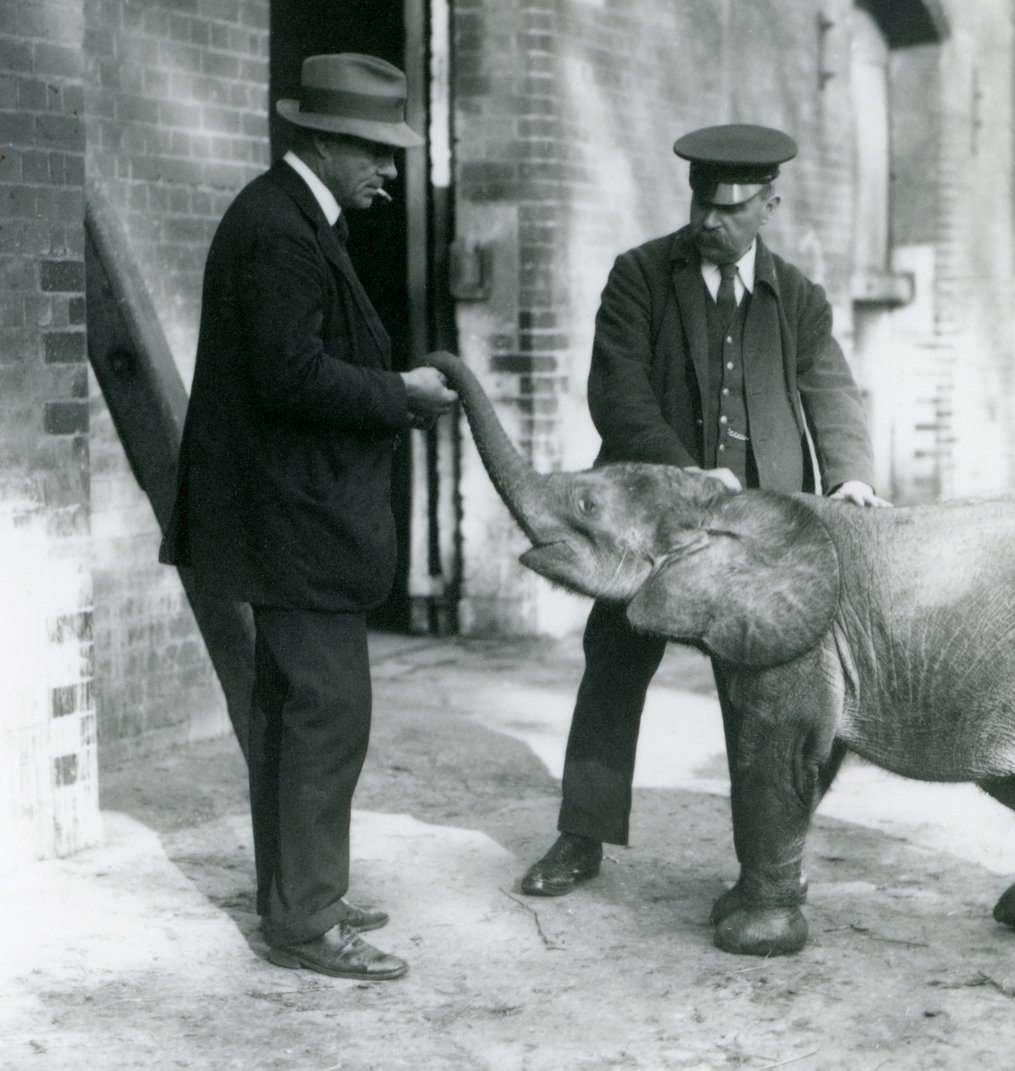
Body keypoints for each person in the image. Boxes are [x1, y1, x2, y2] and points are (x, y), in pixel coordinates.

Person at [519, 123, 889, 897]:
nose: (708, 221)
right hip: (647, 526)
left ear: (768, 205)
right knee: (613, 668)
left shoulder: (800, 297)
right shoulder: (640, 276)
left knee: (761, 692)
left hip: (754, 537)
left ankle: (766, 859)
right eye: (700, 203)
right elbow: (616, 395)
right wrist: (689, 475)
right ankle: (579, 835)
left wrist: (851, 476)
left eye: (729, 208)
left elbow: (831, 391)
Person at [159, 53, 457, 981]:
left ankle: (294, 896)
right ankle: (308, 921)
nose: (391, 169)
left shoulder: (286, 217)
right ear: (321, 140)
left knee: (292, 717)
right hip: (290, 527)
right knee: (327, 717)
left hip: (283, 521)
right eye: (374, 148)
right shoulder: (280, 231)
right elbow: (292, 377)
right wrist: (399, 392)